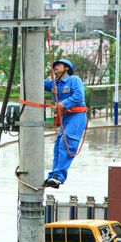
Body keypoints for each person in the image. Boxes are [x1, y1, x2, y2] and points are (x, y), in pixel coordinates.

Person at [43, 59, 87, 189]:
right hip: (65, 117)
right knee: (58, 146)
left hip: (76, 116)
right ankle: (53, 176)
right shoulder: (55, 84)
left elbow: (79, 96)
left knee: (67, 143)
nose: (54, 67)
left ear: (66, 68)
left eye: (58, 65)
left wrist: (63, 104)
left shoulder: (74, 80)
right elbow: (38, 82)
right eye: (54, 65)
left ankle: (59, 176)